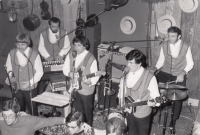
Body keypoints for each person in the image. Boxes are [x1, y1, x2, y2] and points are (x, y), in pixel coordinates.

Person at [152, 26, 194, 132]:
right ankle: (153, 109)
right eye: (169, 36)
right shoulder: (165, 45)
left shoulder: (185, 46)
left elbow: (190, 63)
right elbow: (161, 60)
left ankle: (173, 120)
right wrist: (155, 69)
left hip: (178, 74)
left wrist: (183, 73)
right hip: (165, 72)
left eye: (173, 36)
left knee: (177, 97)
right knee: (151, 85)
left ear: (179, 36)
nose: (170, 38)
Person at [117, 49, 160, 135]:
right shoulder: (126, 72)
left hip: (142, 113)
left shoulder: (150, 77)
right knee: (131, 132)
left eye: (131, 63)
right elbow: (122, 88)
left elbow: (156, 97)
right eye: (128, 62)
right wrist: (120, 100)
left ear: (139, 63)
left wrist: (154, 103)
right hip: (128, 110)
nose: (128, 65)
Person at [63, 35, 99, 126]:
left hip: (86, 90)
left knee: (87, 113)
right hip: (75, 88)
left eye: (79, 45)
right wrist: (69, 73)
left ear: (85, 46)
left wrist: (90, 81)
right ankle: (80, 128)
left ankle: (88, 129)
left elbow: (95, 76)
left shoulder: (91, 58)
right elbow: (65, 69)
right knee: (78, 112)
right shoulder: (71, 55)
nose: (76, 48)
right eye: (75, 45)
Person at [5, 33, 43, 116]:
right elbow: (9, 67)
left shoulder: (35, 54)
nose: (20, 47)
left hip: (30, 87)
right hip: (16, 87)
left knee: (32, 110)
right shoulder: (12, 53)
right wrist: (10, 77)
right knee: (17, 109)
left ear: (28, 43)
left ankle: (34, 127)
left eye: (23, 44)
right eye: (18, 44)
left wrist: (30, 82)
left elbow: (40, 72)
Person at [0, 100, 66, 135]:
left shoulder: (29, 121)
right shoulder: (1, 120)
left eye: (11, 116)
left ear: (17, 113)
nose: (7, 119)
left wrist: (68, 120)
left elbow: (50, 121)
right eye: (4, 115)